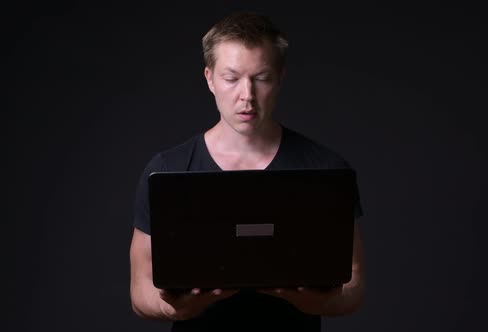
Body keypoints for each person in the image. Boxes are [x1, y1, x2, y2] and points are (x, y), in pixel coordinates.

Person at [129, 11, 365, 331]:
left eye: (261, 78)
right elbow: (140, 288)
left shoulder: (326, 170)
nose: (247, 96)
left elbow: (353, 284)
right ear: (210, 78)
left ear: (280, 77)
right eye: (231, 78)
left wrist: (316, 303)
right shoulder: (168, 170)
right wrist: (175, 311)